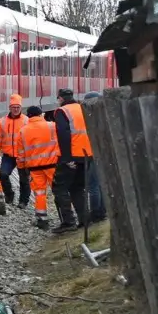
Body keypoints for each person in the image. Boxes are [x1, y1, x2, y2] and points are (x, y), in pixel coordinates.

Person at [51, 87, 93, 236]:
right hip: (87, 155)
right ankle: (84, 219)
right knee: (77, 188)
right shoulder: (82, 108)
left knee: (59, 187)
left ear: (61, 98)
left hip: (72, 156)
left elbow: (63, 134)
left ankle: (68, 222)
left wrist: (66, 158)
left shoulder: (62, 112)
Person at [18, 106, 59, 230]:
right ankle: (67, 217)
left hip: (35, 168)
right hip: (52, 165)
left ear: (29, 116)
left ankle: (42, 219)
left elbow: (21, 153)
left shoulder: (23, 131)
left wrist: (21, 167)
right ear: (41, 114)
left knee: (40, 193)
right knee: (59, 191)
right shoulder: (52, 126)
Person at [0, 94, 31, 207]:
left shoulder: (26, 121)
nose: (15, 109)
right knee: (3, 175)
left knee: (24, 180)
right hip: (8, 155)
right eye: (13, 107)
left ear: (21, 108)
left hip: (22, 156)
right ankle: (9, 195)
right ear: (9, 108)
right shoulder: (2, 121)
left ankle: (23, 201)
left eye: (18, 107)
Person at [83, 91, 108, 222]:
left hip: (93, 154)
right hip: (102, 153)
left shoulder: (91, 115)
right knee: (101, 184)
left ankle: (96, 213)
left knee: (93, 185)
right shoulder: (105, 113)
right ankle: (103, 210)